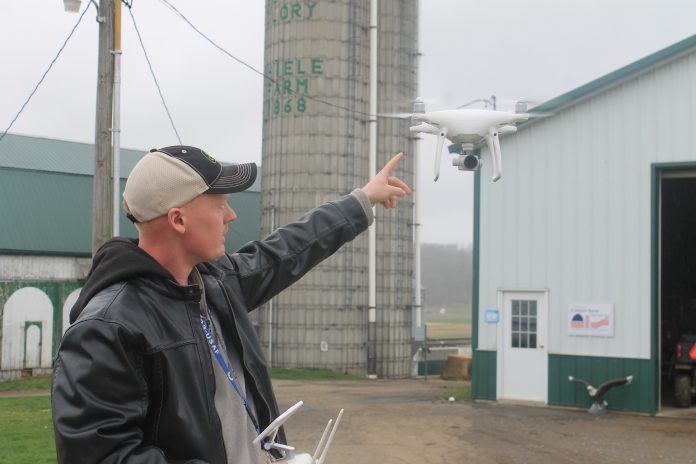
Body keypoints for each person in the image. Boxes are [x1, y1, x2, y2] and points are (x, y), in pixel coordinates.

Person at [51, 145, 411, 464]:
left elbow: (285, 251)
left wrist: (361, 200)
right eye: (220, 205)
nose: (231, 216)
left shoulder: (214, 283)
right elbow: (103, 455)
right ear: (178, 219)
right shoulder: (107, 328)